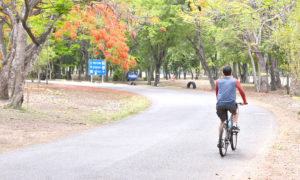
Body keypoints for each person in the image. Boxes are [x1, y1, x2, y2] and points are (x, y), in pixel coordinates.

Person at [216, 66, 248, 147]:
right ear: (231, 72)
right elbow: (242, 92)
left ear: (223, 73)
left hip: (220, 105)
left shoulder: (218, 81)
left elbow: (217, 93)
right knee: (236, 110)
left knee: (222, 122)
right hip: (231, 104)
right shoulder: (235, 81)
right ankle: (234, 125)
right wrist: (244, 101)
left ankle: (220, 142)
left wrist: (219, 101)